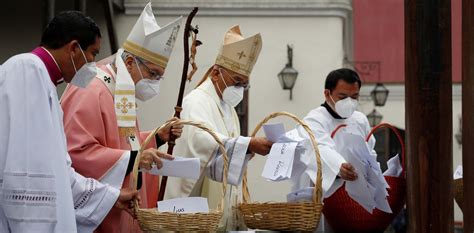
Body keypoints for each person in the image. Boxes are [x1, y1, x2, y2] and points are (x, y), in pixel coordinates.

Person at [0, 11, 138, 233]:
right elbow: (26, 171)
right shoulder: (26, 70)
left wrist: (111, 196)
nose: (93, 64)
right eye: (93, 54)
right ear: (74, 48)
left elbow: (58, 172)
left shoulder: (44, 80)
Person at [60, 3, 183, 232]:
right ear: (129, 62)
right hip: (99, 215)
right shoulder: (90, 87)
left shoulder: (120, 89)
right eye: (153, 74)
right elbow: (76, 152)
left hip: (122, 208)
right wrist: (136, 159)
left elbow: (123, 141)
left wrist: (156, 137)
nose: (155, 83)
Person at [165, 25, 272, 230]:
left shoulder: (227, 107)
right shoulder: (196, 101)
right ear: (215, 73)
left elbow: (227, 151)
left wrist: (246, 148)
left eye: (244, 85)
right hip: (194, 203)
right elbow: (200, 143)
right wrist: (248, 145)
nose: (240, 89)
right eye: (237, 81)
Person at [289, 68, 377, 232]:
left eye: (355, 97)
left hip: (353, 200)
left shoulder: (360, 119)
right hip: (322, 195)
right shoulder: (314, 119)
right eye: (342, 97)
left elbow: (370, 150)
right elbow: (319, 147)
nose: (349, 102)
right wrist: (339, 167)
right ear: (327, 93)